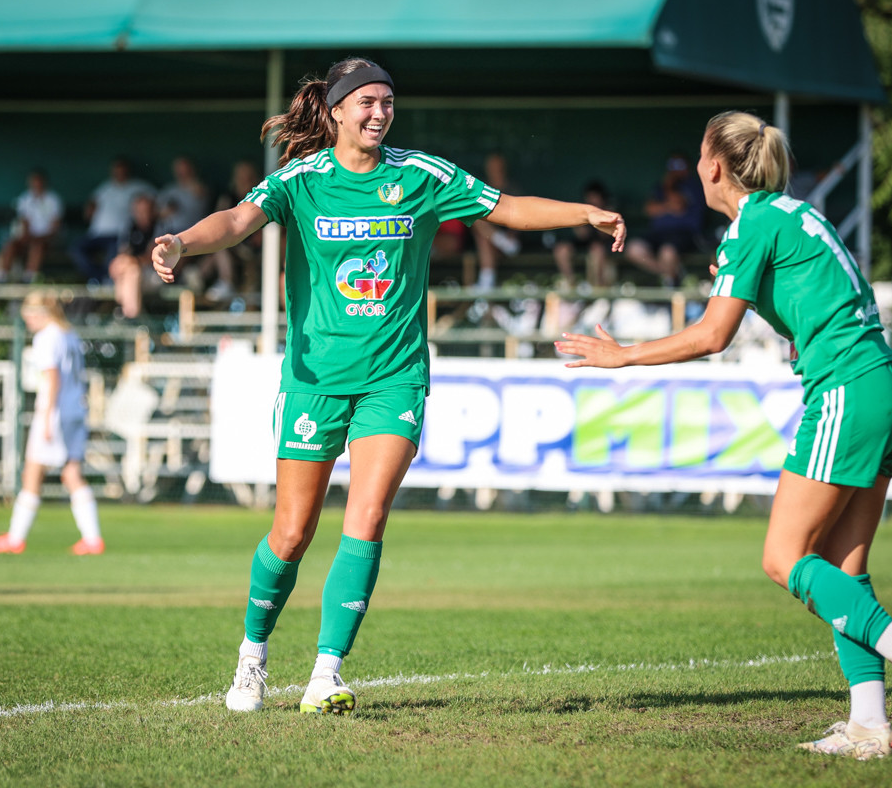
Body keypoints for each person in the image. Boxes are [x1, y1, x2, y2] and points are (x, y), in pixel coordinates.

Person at [152, 57, 624, 716]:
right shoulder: (301, 179)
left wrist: (583, 213)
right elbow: (234, 221)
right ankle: (252, 657)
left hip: (394, 378)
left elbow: (508, 208)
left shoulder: (421, 175)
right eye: (367, 102)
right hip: (315, 381)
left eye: (388, 102)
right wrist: (180, 242)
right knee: (291, 533)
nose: (379, 113)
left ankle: (326, 673)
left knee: (368, 517)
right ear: (337, 112)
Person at [556, 111, 892, 760]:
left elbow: (713, 335)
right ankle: (867, 723)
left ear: (714, 166)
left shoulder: (752, 224)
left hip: (849, 390)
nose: (696, 166)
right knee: (843, 569)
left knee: (783, 557)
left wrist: (623, 356)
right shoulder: (793, 214)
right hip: (885, 386)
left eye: (698, 155)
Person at [0, 291, 103, 556]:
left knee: (32, 473)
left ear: (40, 314)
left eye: (29, 316)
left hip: (55, 411)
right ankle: (93, 539)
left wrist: (47, 419)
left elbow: (52, 378)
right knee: (72, 473)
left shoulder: (46, 337)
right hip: (75, 409)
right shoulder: (69, 335)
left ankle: (15, 538)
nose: (28, 321)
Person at [624, 153, 704, 287]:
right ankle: (670, 274)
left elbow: (678, 205)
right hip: (659, 234)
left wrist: (667, 188)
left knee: (667, 252)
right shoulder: (660, 187)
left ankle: (669, 285)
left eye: (679, 165)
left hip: (684, 234)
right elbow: (649, 209)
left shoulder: (693, 186)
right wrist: (667, 205)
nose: (675, 169)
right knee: (633, 249)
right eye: (672, 165)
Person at [69, 157, 154, 284]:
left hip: (118, 234)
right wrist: (90, 208)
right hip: (97, 234)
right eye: (116, 170)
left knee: (115, 255)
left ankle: (107, 282)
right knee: (76, 248)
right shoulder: (106, 188)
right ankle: (98, 279)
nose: (119, 173)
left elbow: (156, 201)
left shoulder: (139, 186)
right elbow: (91, 204)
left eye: (122, 170)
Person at [201, 161, 264, 302]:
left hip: (256, 248)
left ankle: (213, 280)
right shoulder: (228, 198)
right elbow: (217, 224)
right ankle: (218, 281)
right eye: (240, 176)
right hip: (233, 244)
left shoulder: (261, 196)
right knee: (218, 246)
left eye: (248, 176)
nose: (243, 180)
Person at [0, 169, 63, 284]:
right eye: (33, 182)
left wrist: (40, 238)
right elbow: (24, 221)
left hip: (46, 239)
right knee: (10, 245)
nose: (36, 185)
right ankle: (1, 277)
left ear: (44, 182)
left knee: (37, 245)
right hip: (28, 237)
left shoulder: (53, 199)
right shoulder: (25, 198)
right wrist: (26, 236)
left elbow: (55, 226)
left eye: (38, 181)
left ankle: (28, 279)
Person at [472, 152, 523, 290]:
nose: (495, 170)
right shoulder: (483, 188)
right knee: (480, 229)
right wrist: (499, 240)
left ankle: (485, 283)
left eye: (497, 166)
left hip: (512, 239)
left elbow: (520, 216)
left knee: (486, 238)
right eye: (491, 167)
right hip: (495, 241)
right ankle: (500, 241)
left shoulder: (513, 189)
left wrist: (511, 235)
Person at [550, 181, 614, 288]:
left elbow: (605, 236)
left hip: (602, 245)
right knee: (561, 250)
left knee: (597, 249)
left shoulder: (608, 212)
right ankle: (571, 284)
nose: (592, 200)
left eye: (595, 197)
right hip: (583, 243)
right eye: (589, 197)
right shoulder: (583, 210)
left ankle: (598, 287)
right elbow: (581, 235)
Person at [108, 194, 162, 319]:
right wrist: (120, 263)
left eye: (146, 210)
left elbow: (151, 257)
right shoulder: (129, 227)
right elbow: (123, 252)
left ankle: (128, 315)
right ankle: (128, 313)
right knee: (128, 269)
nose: (143, 215)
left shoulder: (160, 226)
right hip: (130, 271)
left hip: (157, 274)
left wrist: (130, 261)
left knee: (133, 271)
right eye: (139, 211)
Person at [156, 156, 210, 236]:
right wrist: (168, 210)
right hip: (170, 232)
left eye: (185, 169)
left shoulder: (199, 188)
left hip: (193, 232)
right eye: (179, 169)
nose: (182, 172)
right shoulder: (169, 190)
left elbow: (201, 193)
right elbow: (158, 213)